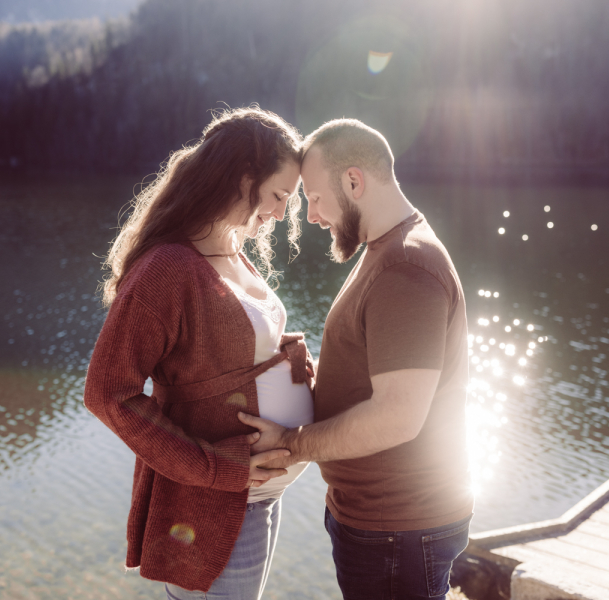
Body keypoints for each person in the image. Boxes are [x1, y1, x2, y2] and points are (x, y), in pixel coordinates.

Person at [82, 106, 316, 599]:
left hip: (258, 498)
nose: (278, 213)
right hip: (216, 502)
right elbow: (108, 393)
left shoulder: (230, 248)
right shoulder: (167, 268)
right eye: (278, 196)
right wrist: (214, 467)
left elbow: (222, 352)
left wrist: (285, 358)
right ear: (242, 179)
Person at [239, 118, 473, 600]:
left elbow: (397, 417)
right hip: (381, 522)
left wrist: (293, 443)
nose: (312, 217)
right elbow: (380, 383)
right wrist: (312, 378)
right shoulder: (387, 250)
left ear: (353, 181)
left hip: (398, 530)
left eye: (314, 198)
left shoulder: (406, 266)